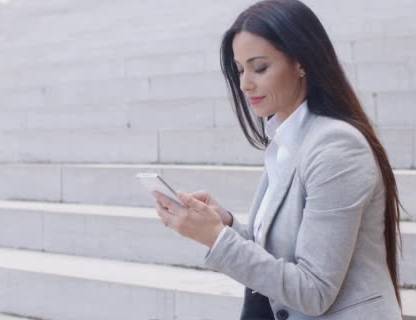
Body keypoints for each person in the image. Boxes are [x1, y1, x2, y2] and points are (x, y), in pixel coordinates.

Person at [153, 0, 403, 319]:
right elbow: (279, 257)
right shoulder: (285, 139)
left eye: (259, 68)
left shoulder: (337, 148)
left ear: (301, 63)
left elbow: (314, 292)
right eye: (240, 69)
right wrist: (224, 224)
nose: (245, 83)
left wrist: (214, 238)